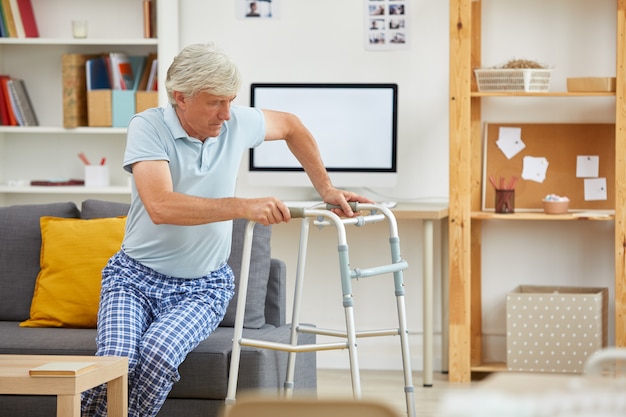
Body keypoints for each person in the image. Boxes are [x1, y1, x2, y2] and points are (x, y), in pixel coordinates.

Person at [81, 42, 372, 417]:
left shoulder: (236, 122)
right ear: (180, 97)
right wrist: (242, 206)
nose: (226, 114)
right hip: (133, 279)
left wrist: (326, 189)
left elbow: (292, 127)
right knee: (113, 364)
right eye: (215, 102)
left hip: (202, 288)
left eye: (231, 101)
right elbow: (161, 206)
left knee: (156, 355)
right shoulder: (148, 127)